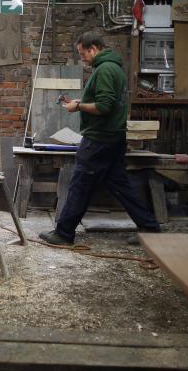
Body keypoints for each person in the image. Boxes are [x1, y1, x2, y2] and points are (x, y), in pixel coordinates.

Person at [39, 31, 161, 246]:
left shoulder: (104, 70)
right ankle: (150, 228)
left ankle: (64, 233)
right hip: (113, 138)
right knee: (120, 185)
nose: (81, 58)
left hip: (99, 139)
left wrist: (77, 106)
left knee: (80, 184)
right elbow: (105, 101)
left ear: (93, 48)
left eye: (82, 53)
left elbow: (104, 107)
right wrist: (81, 101)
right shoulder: (115, 68)